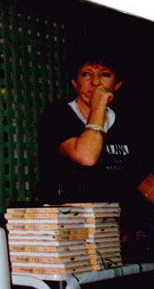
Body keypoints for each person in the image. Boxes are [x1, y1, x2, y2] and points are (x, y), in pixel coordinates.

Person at [38, 50, 154, 262]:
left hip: (119, 232)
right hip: (72, 233)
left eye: (104, 75)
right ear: (74, 82)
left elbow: (145, 182)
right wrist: (99, 105)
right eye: (86, 75)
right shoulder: (58, 115)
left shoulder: (128, 123)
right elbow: (86, 156)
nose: (94, 83)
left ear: (117, 86)